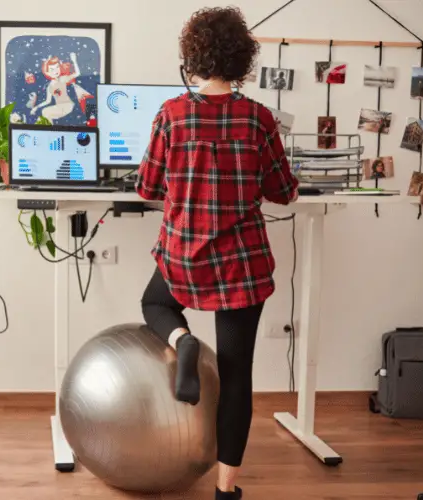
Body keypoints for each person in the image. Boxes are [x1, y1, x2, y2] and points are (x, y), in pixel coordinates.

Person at [135, 7, 299, 500]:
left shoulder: (171, 114)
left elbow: (146, 188)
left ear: (192, 59)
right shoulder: (259, 117)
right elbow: (282, 191)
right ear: (242, 61)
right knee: (237, 377)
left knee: (155, 305)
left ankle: (182, 338)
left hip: (184, 258)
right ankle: (226, 491)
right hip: (242, 267)